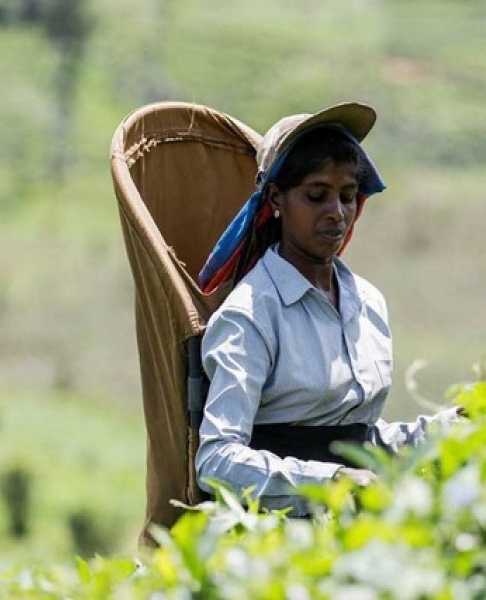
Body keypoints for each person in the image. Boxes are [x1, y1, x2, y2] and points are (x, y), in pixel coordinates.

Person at [195, 102, 460, 516]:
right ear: (277, 198)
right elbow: (216, 462)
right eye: (317, 195)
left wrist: (448, 427)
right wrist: (328, 482)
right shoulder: (250, 315)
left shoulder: (367, 302)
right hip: (280, 532)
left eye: (348, 196)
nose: (336, 213)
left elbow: (360, 442)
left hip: (359, 525)